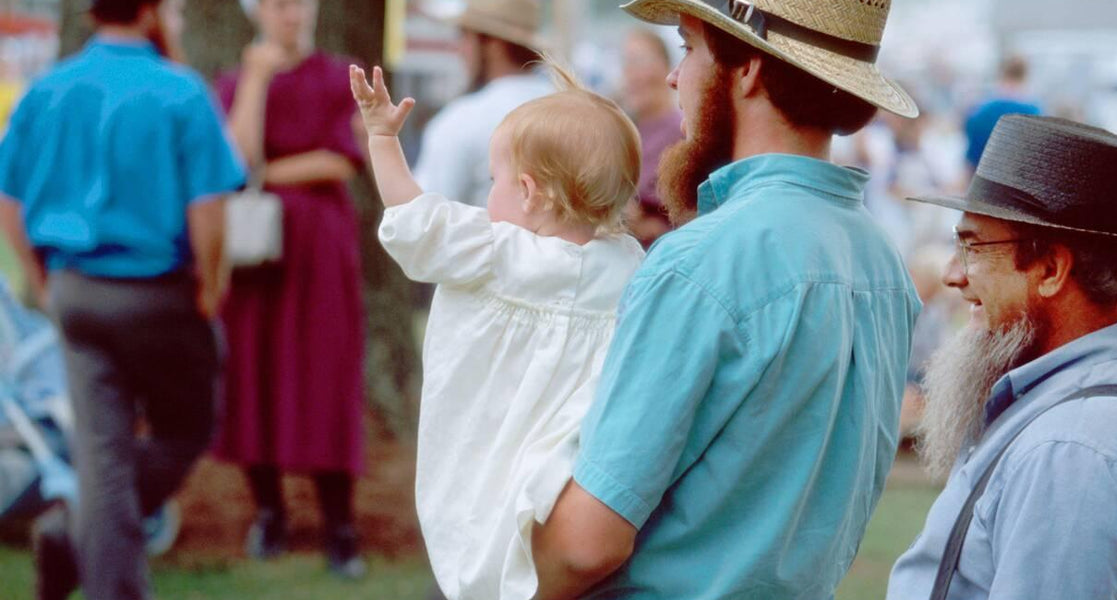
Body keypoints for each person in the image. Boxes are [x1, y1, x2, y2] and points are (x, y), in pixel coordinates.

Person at [529, 1, 921, 598]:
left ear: (750, 71)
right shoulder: (882, 264)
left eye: (689, 49)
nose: (672, 76)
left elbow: (587, 544)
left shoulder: (701, 262)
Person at [351, 57, 644, 600]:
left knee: (475, 523)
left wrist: (381, 139)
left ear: (529, 192)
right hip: (568, 482)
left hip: (491, 446)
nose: (489, 196)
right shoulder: (630, 267)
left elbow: (414, 217)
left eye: (494, 181)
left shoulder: (493, 250)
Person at [887, 115, 1117, 600]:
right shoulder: (1113, 399)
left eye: (973, 247)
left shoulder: (1074, 448)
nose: (953, 274)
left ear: (1051, 269)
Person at [0, 0, 244, 598]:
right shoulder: (180, 92)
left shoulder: (48, 89)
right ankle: (76, 535)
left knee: (103, 456)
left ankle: (73, 533)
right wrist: (211, 287)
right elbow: (208, 211)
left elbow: (10, 199)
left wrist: (40, 277)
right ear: (152, 11)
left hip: (76, 295)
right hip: (158, 294)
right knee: (185, 431)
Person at [210, 0, 367, 578]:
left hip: (319, 247)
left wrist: (263, 175)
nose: (291, 14)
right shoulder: (234, 82)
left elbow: (339, 160)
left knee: (325, 376)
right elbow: (234, 157)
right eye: (278, 4)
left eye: (300, 2)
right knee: (255, 374)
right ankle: (269, 513)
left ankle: (340, 525)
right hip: (255, 251)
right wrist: (255, 79)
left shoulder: (338, 75)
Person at [412, 0, 552, 207]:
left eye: (464, 36)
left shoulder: (462, 120)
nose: (459, 49)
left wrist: (380, 151)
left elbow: (420, 221)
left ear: (493, 45)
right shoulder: (573, 108)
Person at [620, 28, 683, 248]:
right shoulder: (624, 131)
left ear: (666, 68)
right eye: (627, 63)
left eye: (640, 62)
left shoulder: (682, 131)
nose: (632, 74)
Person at [962, 56, 1040, 173]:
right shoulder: (1034, 112)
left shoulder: (981, 110)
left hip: (983, 178)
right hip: (1018, 179)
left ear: (1001, 73)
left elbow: (971, 155)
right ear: (1025, 76)